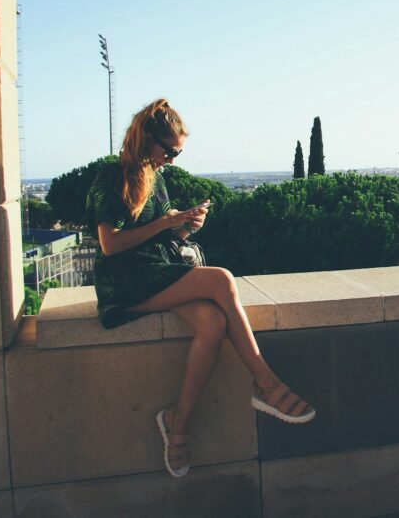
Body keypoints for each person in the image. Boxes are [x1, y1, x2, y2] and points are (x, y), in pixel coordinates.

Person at [86, 98, 315, 478]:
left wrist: (185, 227)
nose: (172, 160)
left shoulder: (156, 178)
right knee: (221, 279)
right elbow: (110, 245)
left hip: (156, 271)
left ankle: (177, 422)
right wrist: (165, 223)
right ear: (147, 139)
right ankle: (265, 383)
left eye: (177, 154)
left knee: (212, 324)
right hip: (124, 281)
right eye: (170, 151)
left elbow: (160, 235)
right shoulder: (111, 176)